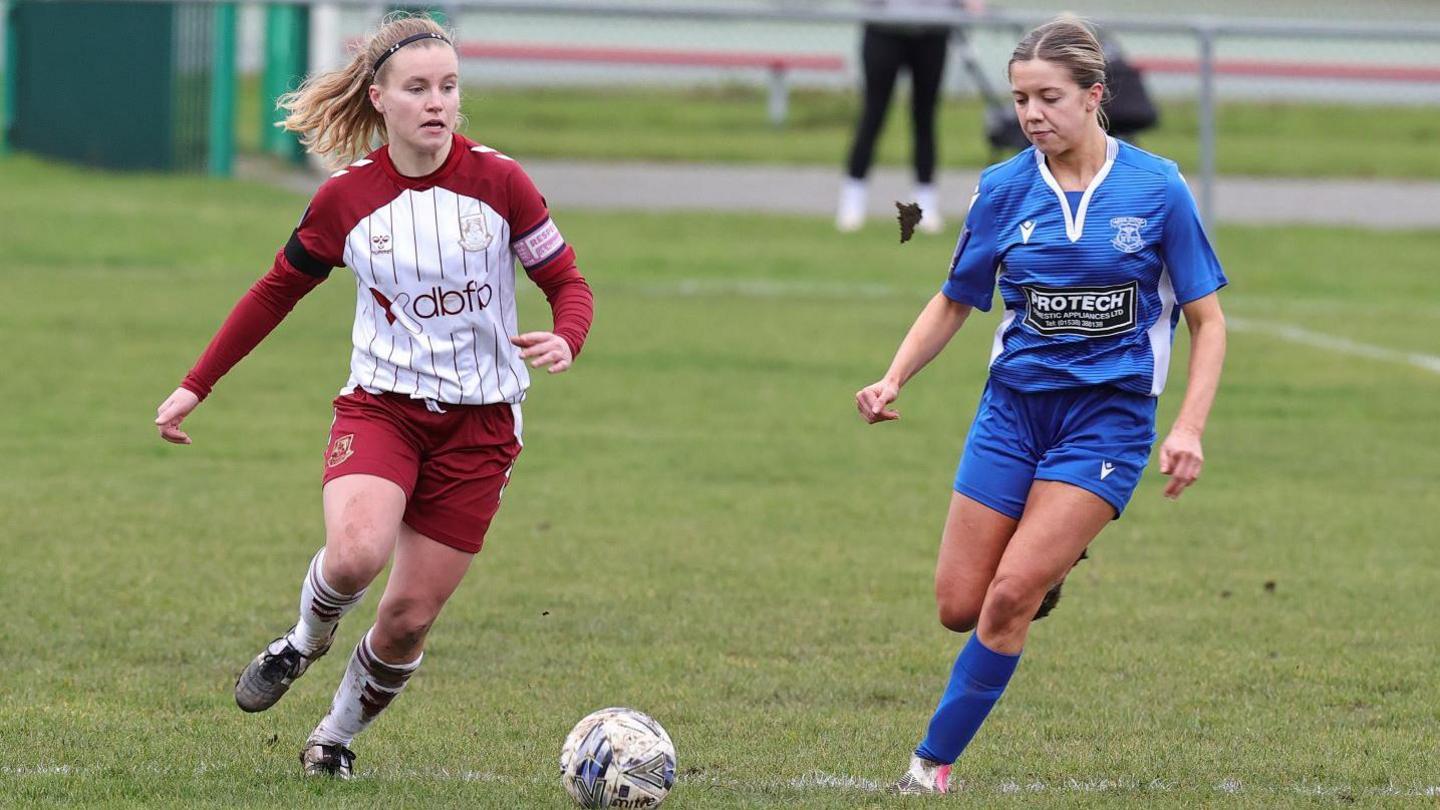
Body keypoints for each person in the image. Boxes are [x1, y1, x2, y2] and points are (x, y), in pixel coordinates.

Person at [152, 14, 594, 779]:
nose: (437, 102)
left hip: (482, 427)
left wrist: (567, 334)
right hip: (382, 408)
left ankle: (334, 739)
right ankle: (302, 640)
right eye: (418, 88)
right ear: (380, 98)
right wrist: (197, 384)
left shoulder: (502, 183)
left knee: (406, 620)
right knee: (356, 556)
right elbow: (274, 292)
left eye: (449, 88)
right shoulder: (346, 200)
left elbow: (566, 280)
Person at [854, 16, 1227, 793]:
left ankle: (929, 767)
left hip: (1108, 424)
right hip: (1011, 415)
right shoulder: (1002, 189)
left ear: (1095, 97)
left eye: (1048, 97)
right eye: (1021, 98)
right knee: (959, 606)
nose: (1030, 114)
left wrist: (1188, 427)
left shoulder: (1157, 188)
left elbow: (1206, 320)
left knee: (1008, 598)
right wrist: (894, 378)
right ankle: (1051, 552)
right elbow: (956, 300)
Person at [836, 0, 978, 234]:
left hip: (932, 30)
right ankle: (852, 202)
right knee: (873, 116)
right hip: (884, 28)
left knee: (925, 119)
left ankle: (925, 205)